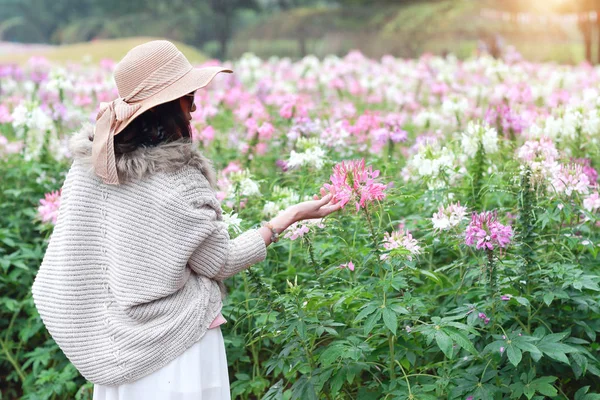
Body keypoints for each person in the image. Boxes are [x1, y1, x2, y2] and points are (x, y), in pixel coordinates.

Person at [30, 40, 342, 400]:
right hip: (177, 346)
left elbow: (73, 261)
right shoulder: (180, 180)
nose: (195, 106)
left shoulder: (90, 168)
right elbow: (219, 262)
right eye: (187, 96)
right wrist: (281, 222)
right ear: (165, 107)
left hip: (117, 352)